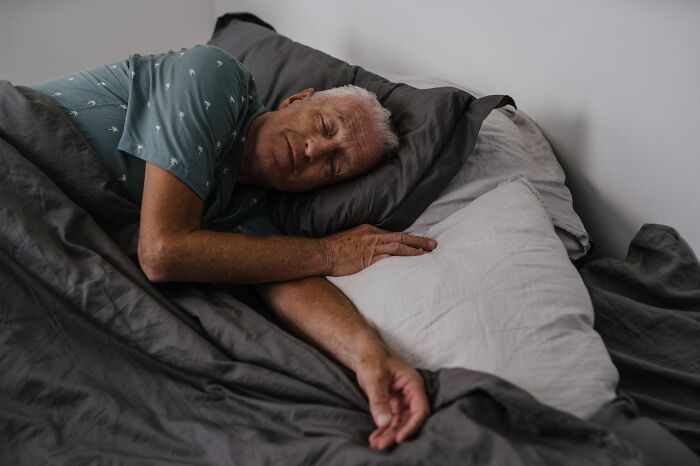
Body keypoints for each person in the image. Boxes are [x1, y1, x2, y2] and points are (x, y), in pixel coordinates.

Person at [32, 44, 438, 451]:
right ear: (298, 99)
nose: (315, 150)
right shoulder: (215, 76)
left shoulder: (249, 211)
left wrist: (371, 356)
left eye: (333, 167)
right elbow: (162, 252)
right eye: (325, 127)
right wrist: (329, 252)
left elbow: (287, 279)